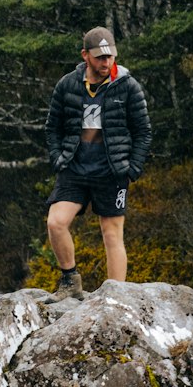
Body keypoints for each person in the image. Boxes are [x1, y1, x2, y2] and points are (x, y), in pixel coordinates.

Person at [45, 26, 151, 298]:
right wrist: (58, 158)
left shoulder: (128, 86)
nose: (106, 63)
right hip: (75, 168)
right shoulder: (68, 84)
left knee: (112, 234)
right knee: (56, 222)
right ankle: (70, 281)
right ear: (85, 56)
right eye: (100, 57)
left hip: (112, 171)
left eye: (110, 57)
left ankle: (115, 296)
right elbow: (52, 127)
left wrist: (133, 168)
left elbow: (143, 131)